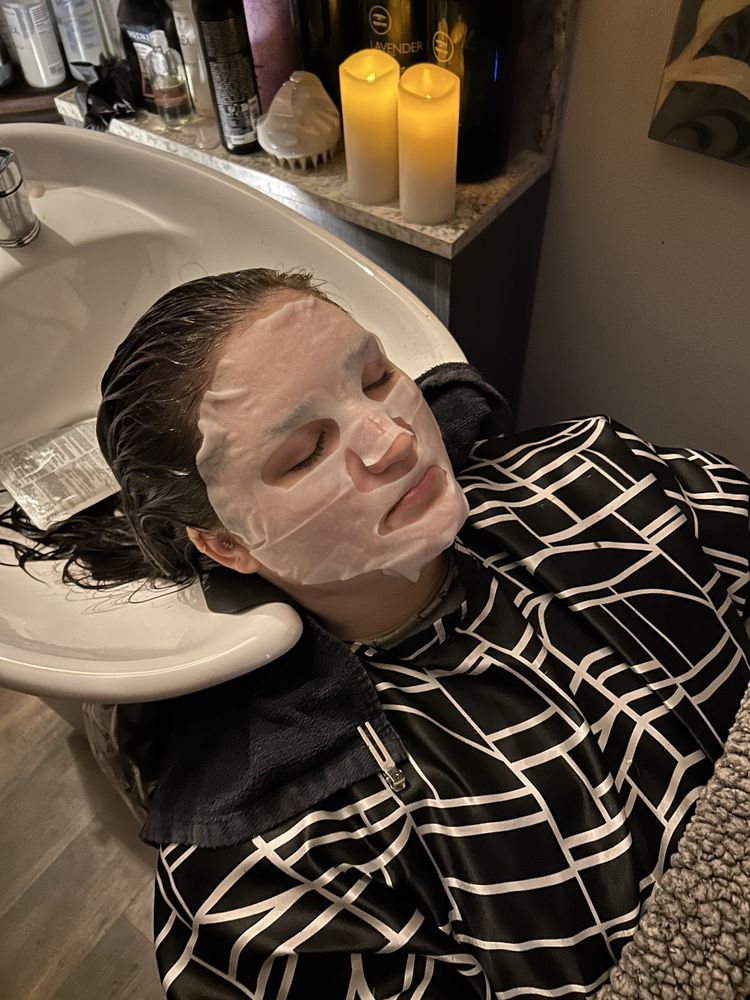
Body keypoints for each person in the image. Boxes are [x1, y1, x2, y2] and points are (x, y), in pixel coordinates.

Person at [6, 267, 749, 998]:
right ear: (226, 544)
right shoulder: (275, 874)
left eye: (376, 377)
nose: (393, 439)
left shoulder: (598, 474)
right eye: (306, 452)